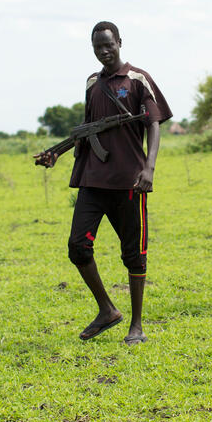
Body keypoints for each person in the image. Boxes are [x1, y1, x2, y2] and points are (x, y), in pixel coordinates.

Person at [34, 22, 171, 345]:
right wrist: (58, 152)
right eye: (98, 46)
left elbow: (154, 123)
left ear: (119, 42)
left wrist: (149, 168)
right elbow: (88, 127)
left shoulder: (137, 79)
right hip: (92, 180)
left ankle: (136, 324)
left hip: (129, 180)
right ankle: (107, 309)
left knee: (134, 254)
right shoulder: (92, 83)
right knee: (78, 247)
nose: (104, 51)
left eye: (109, 44)